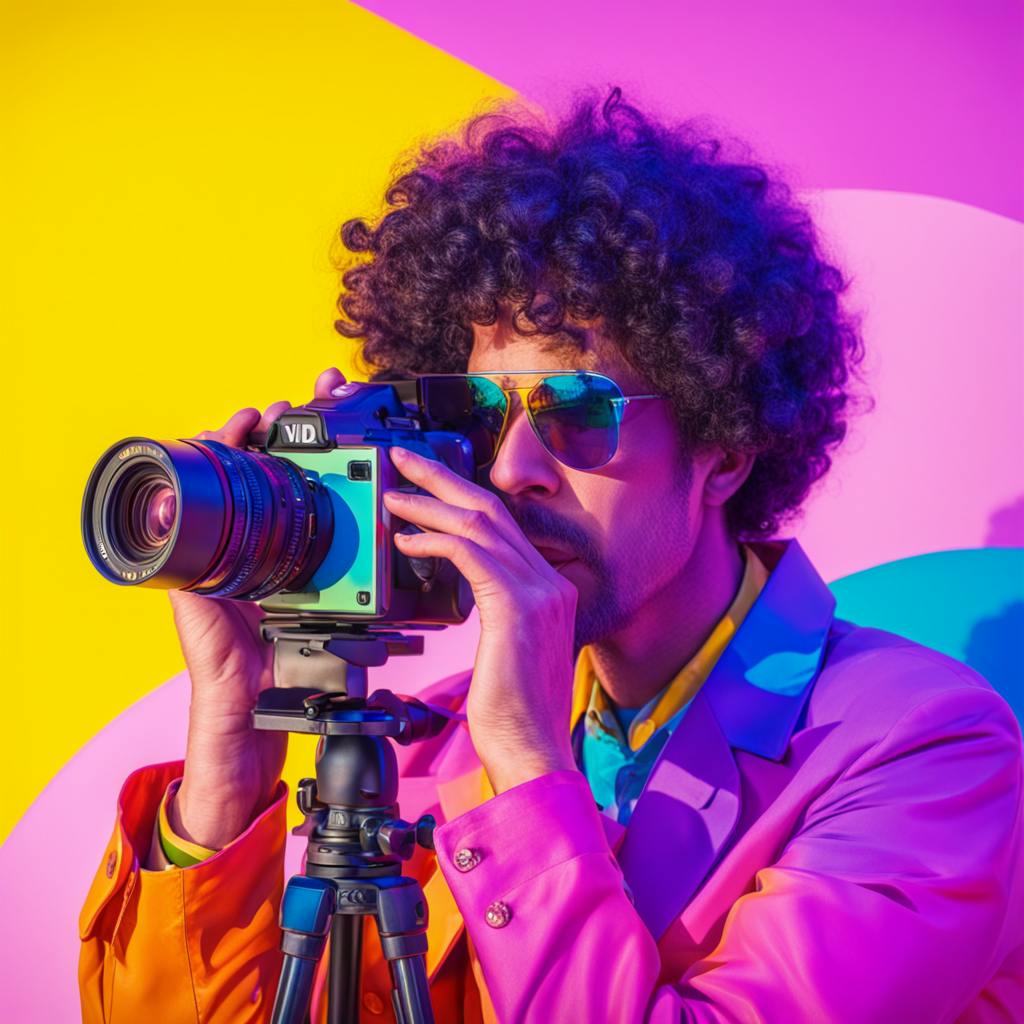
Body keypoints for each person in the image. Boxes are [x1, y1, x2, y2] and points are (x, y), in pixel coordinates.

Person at [78, 89, 1024, 1023]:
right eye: (484, 418)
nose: (516, 471)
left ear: (725, 448)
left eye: (575, 412)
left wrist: (529, 766)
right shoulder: (427, 746)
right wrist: (228, 756)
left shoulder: (922, 746)